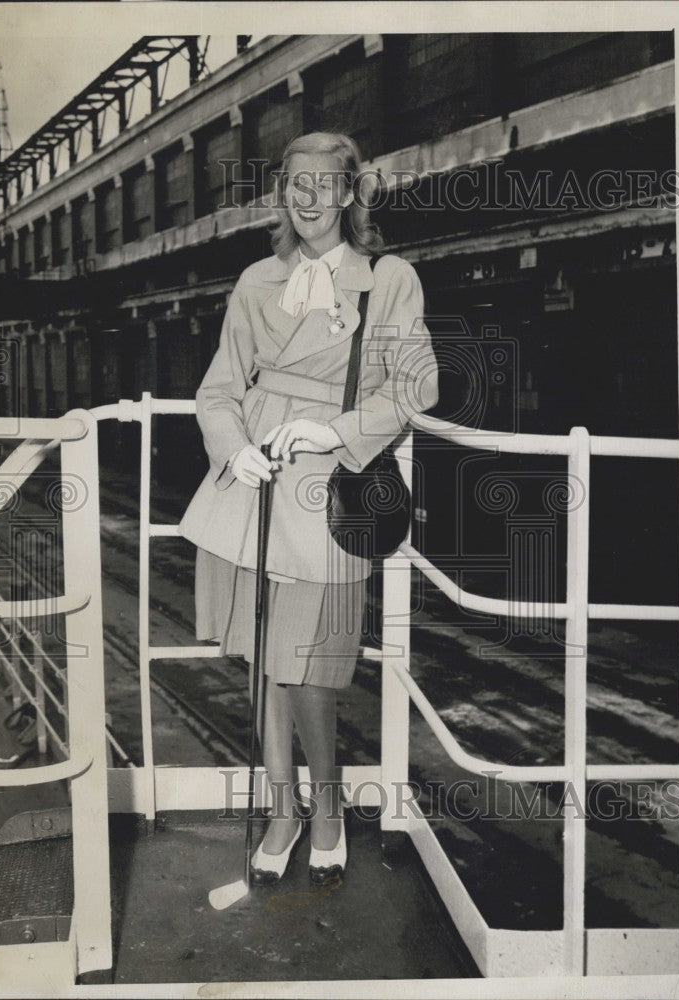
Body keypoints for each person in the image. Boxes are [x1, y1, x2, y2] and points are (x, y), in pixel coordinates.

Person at [179, 131, 438, 886]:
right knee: (265, 666)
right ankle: (283, 812)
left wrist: (335, 428)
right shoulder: (256, 279)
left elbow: (416, 386)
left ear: (352, 192)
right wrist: (232, 449)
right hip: (249, 489)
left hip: (329, 488)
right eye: (296, 183)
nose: (309, 196)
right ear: (281, 192)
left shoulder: (387, 277)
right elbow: (219, 387)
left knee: (313, 672)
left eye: (326, 183)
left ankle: (325, 809)